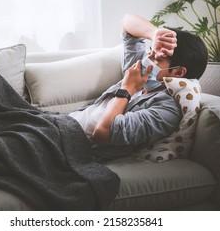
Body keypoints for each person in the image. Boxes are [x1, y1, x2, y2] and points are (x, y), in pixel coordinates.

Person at [69, 13, 208, 160]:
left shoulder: (166, 111)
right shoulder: (139, 71)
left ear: (178, 72)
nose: (148, 59)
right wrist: (155, 34)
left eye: (157, 58)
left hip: (71, 144)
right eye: (150, 52)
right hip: (63, 122)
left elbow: (103, 133)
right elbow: (126, 23)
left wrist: (127, 90)